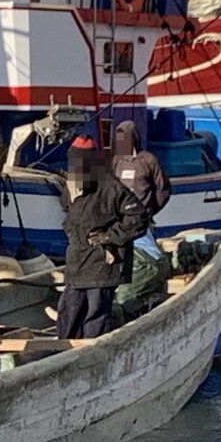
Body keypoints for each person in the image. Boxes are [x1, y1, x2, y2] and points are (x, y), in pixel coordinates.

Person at [58, 135, 149, 339]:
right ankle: (62, 353)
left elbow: (138, 218)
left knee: (96, 314)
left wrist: (110, 236)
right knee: (69, 311)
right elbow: (68, 209)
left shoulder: (112, 188)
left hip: (103, 263)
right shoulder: (72, 185)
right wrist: (71, 229)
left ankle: (92, 354)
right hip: (77, 261)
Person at [112, 121, 172, 315]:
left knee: (148, 258)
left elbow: (163, 189)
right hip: (123, 222)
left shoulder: (148, 160)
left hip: (143, 221)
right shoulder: (117, 162)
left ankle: (152, 294)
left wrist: (150, 211)